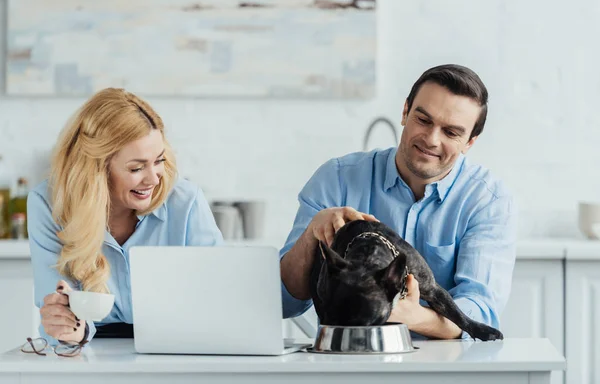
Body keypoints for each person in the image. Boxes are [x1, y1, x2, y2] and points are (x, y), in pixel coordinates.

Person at [280, 64, 517, 339]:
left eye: (451, 132)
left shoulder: (487, 201)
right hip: (346, 365)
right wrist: (312, 236)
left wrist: (411, 316)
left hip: (445, 368)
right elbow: (284, 301)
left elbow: (479, 313)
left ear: (470, 142)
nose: (431, 139)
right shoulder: (336, 179)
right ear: (405, 112)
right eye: (423, 120)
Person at [28, 88, 223, 346]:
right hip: (89, 350)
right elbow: (56, 307)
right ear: (96, 169)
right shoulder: (49, 204)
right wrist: (69, 327)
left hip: (176, 345)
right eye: (137, 167)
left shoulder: (185, 202)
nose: (154, 178)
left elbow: (220, 295)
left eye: (159, 161)